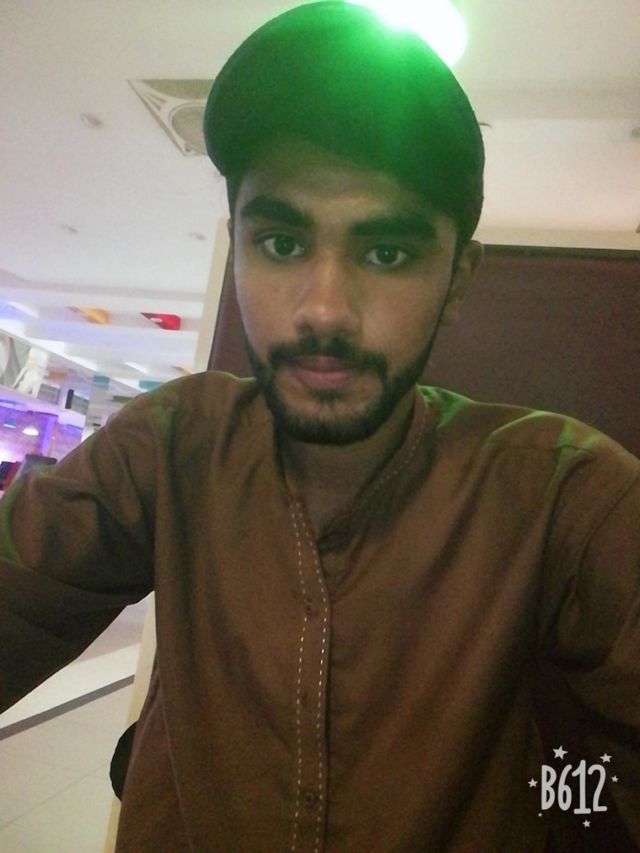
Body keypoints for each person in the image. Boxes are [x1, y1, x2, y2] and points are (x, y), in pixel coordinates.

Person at [1, 3, 638, 851]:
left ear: (457, 278)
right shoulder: (170, 446)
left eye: (387, 252)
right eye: (281, 242)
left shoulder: (565, 495)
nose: (325, 310)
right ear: (239, 245)